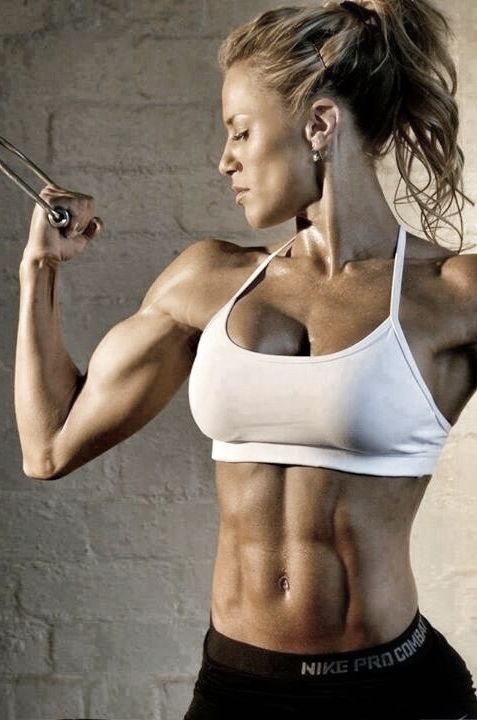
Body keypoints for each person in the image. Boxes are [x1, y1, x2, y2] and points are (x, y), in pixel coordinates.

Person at [13, 0, 477, 718]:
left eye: (240, 131)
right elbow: (48, 448)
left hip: (395, 691)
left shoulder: (451, 293)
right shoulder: (206, 280)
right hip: (237, 687)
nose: (224, 160)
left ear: (318, 124)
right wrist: (40, 270)